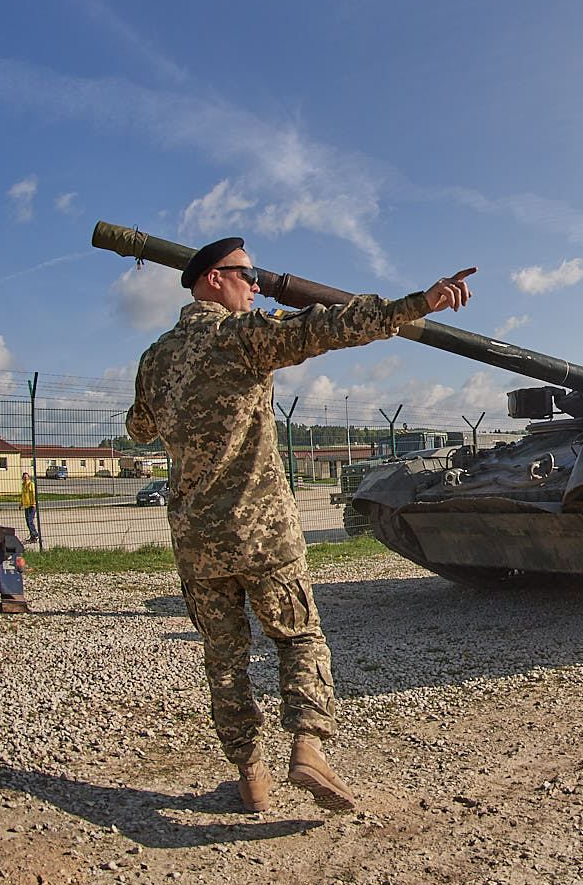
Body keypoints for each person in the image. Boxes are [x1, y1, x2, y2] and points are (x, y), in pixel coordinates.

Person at [125, 236, 475, 814]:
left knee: (224, 659)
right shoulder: (240, 336)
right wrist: (418, 303)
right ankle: (308, 747)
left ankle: (250, 777)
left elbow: (139, 429)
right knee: (299, 639)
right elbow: (328, 327)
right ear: (214, 278)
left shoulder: (155, 358)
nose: (257, 284)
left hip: (197, 542)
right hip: (262, 532)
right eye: (248, 273)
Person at [19, 472, 40, 542]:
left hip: (31, 505)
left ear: (28, 478)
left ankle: (35, 535)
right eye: (24, 477)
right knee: (28, 522)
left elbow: (33, 494)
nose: (25, 478)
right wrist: (21, 504)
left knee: (30, 521)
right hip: (26, 505)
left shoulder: (31, 484)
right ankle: (33, 536)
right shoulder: (23, 485)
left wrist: (34, 503)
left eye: (26, 477)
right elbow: (23, 496)